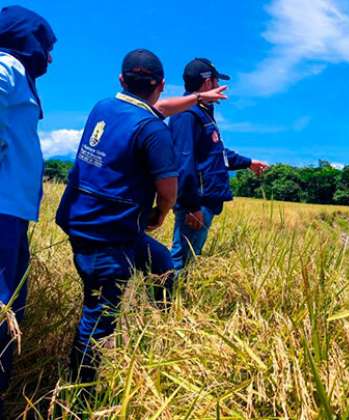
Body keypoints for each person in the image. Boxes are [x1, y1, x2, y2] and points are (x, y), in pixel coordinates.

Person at [55, 48, 190, 384]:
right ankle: (81, 393)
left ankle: (160, 328)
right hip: (107, 236)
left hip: (89, 221)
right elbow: (168, 189)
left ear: (121, 79)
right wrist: (161, 213)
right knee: (98, 318)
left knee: (162, 264)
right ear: (161, 85)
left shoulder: (102, 108)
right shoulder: (152, 129)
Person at [0, 5, 56, 408]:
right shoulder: (5, 68)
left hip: (12, 211)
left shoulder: (16, 75)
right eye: (44, 45)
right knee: (3, 309)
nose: (48, 56)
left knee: (12, 303)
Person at [169, 58, 268, 272]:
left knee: (190, 259)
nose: (217, 88)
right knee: (181, 261)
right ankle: (163, 304)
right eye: (215, 82)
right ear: (207, 83)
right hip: (198, 203)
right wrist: (191, 205)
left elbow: (216, 154)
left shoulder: (202, 114)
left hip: (206, 202)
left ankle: (175, 301)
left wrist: (249, 163)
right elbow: (183, 163)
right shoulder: (187, 115)